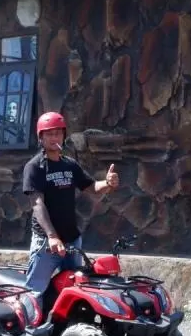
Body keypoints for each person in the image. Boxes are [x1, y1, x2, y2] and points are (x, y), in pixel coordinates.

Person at [20, 112, 120, 294]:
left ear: (64, 136)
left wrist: (107, 183)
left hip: (72, 242)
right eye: (49, 134)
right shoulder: (34, 167)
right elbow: (37, 204)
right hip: (46, 243)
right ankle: (30, 323)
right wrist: (52, 236)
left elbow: (92, 188)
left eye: (58, 133)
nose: (54, 137)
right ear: (40, 137)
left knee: (75, 287)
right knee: (35, 292)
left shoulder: (69, 165)